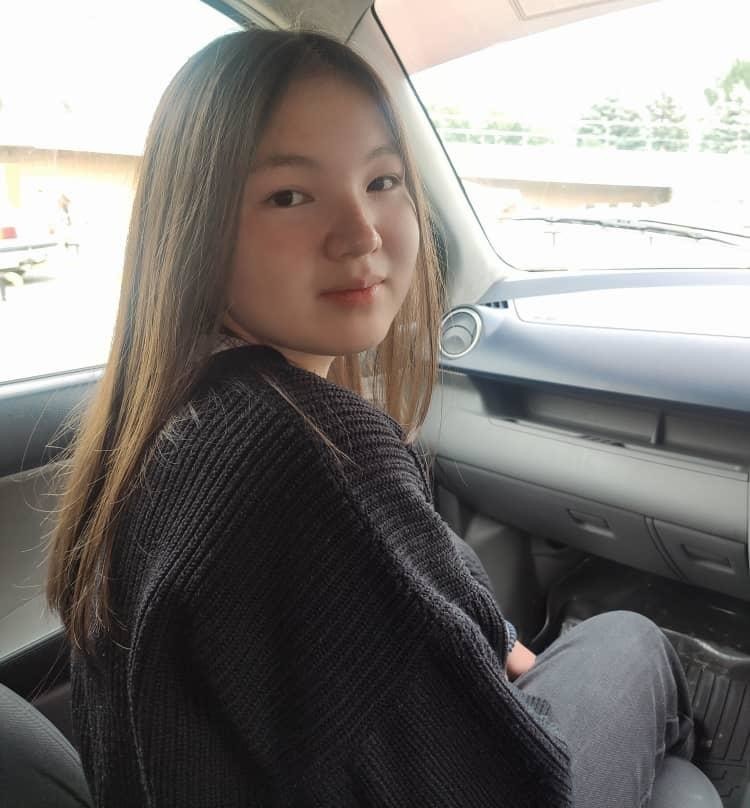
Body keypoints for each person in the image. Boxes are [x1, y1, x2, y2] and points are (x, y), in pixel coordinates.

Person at [44, 29, 694, 807]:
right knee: (632, 640)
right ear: (195, 230)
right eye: (289, 196)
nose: (362, 234)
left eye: (383, 180)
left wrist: (492, 647)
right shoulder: (297, 452)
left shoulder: (165, 419)